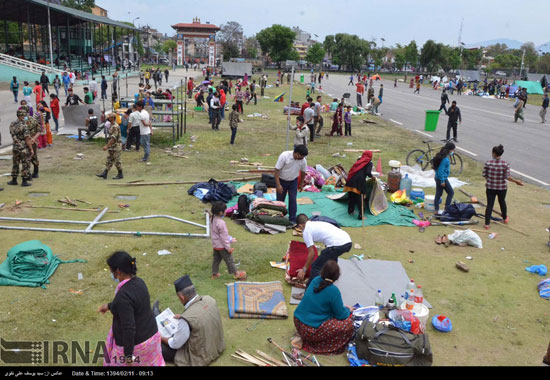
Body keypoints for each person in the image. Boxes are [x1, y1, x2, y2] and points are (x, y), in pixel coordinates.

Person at [98, 251, 165, 366]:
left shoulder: (123, 296)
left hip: (138, 345)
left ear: (118, 272)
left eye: (111, 272)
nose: (112, 275)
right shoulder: (139, 282)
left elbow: (129, 328)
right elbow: (125, 304)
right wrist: (109, 306)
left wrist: (128, 355)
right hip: (152, 338)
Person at [154, 275, 225, 366]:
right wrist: (183, 317)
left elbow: (175, 344)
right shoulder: (210, 299)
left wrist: (161, 338)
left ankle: (156, 315)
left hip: (199, 355)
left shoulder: (186, 320)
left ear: (181, 297)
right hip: (215, 347)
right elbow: (201, 314)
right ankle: (156, 314)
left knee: (157, 345)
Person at [293, 261, 354, 355]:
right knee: (348, 324)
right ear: (337, 276)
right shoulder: (334, 291)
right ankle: (317, 344)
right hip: (310, 330)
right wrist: (348, 310)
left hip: (298, 322)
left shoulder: (315, 280)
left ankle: (303, 337)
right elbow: (341, 315)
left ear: (322, 272)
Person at [295, 214, 352, 289]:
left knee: (316, 266)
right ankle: (328, 285)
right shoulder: (316, 222)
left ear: (300, 226)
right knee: (331, 264)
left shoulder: (306, 231)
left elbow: (311, 254)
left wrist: (304, 270)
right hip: (347, 241)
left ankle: (310, 291)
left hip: (337, 244)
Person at [482, 145, 523, 229]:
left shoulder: (488, 163)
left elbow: (484, 174)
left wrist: (490, 179)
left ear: (493, 153)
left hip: (490, 187)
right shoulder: (505, 164)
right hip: (502, 188)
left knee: (490, 204)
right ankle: (505, 218)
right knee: (502, 202)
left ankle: (487, 224)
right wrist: (516, 181)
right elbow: (507, 176)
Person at [210, 201, 246, 280]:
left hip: (215, 245)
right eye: (225, 210)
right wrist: (228, 248)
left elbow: (218, 234)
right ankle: (236, 274)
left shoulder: (213, 218)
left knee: (216, 260)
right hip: (222, 246)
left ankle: (214, 273)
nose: (226, 211)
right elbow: (223, 238)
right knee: (229, 260)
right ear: (220, 212)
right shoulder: (221, 223)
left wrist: (229, 238)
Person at [274, 145, 309, 225]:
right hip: (282, 180)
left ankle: (292, 220)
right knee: (280, 201)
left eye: (303, 157)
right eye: (300, 156)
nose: (302, 158)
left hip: (293, 181)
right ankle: (278, 218)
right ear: (296, 153)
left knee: (293, 200)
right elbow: (276, 170)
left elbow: (303, 172)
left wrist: (301, 183)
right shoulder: (284, 156)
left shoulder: (303, 160)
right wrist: (278, 185)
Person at [7, 110, 34, 187]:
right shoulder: (24, 126)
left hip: (15, 146)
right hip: (23, 147)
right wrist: (31, 149)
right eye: (24, 116)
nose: (25, 117)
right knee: (25, 163)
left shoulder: (12, 124)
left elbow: (12, 134)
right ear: (21, 116)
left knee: (15, 163)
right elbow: (27, 139)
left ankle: (14, 180)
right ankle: (24, 181)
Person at [344, 151, 374, 218]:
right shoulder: (369, 163)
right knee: (360, 197)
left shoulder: (359, 160)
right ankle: (361, 215)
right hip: (359, 181)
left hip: (351, 178)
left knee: (351, 195)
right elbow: (368, 172)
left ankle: (350, 210)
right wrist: (372, 177)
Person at [96, 113, 123, 180]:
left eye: (110, 117)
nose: (108, 118)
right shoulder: (111, 125)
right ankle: (105, 173)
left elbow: (113, 138)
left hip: (116, 146)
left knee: (117, 160)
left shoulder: (115, 126)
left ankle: (120, 174)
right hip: (112, 146)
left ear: (113, 118)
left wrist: (107, 146)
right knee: (109, 160)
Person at [433, 142, 456, 215]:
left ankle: (436, 210)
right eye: (453, 150)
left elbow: (438, 169)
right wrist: (442, 180)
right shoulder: (445, 159)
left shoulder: (440, 156)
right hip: (441, 178)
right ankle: (447, 209)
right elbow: (440, 170)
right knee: (451, 192)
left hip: (437, 177)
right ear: (449, 150)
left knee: (438, 193)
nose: (453, 152)